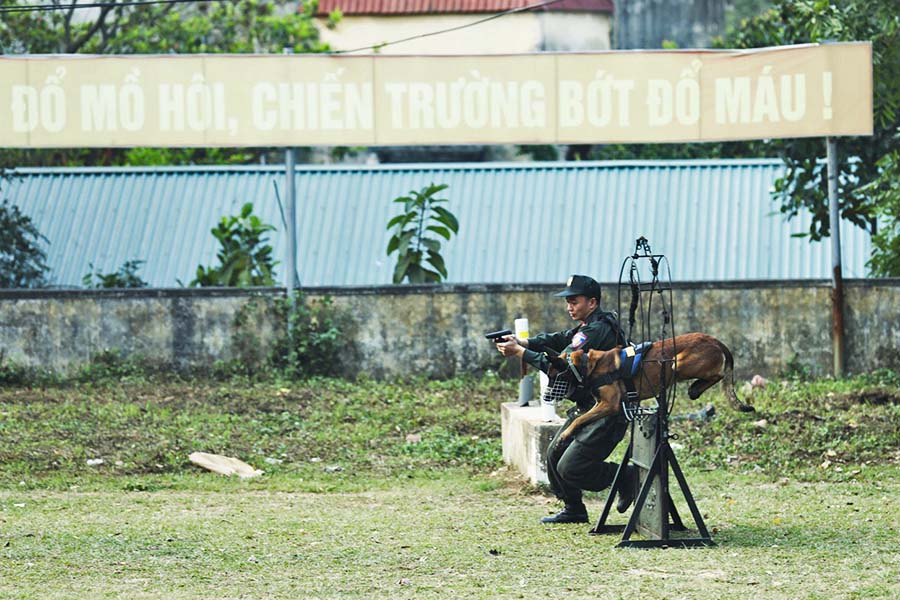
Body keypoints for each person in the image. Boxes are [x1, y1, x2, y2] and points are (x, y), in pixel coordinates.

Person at [496, 274, 635, 524]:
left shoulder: (597, 329)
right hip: (590, 406)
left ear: (592, 302)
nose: (569, 307)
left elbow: (561, 367)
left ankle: (626, 477)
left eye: (574, 302)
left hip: (608, 411)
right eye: (568, 302)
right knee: (554, 454)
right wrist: (523, 342)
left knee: (571, 467)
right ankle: (574, 509)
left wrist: (520, 352)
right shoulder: (587, 326)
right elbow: (559, 339)